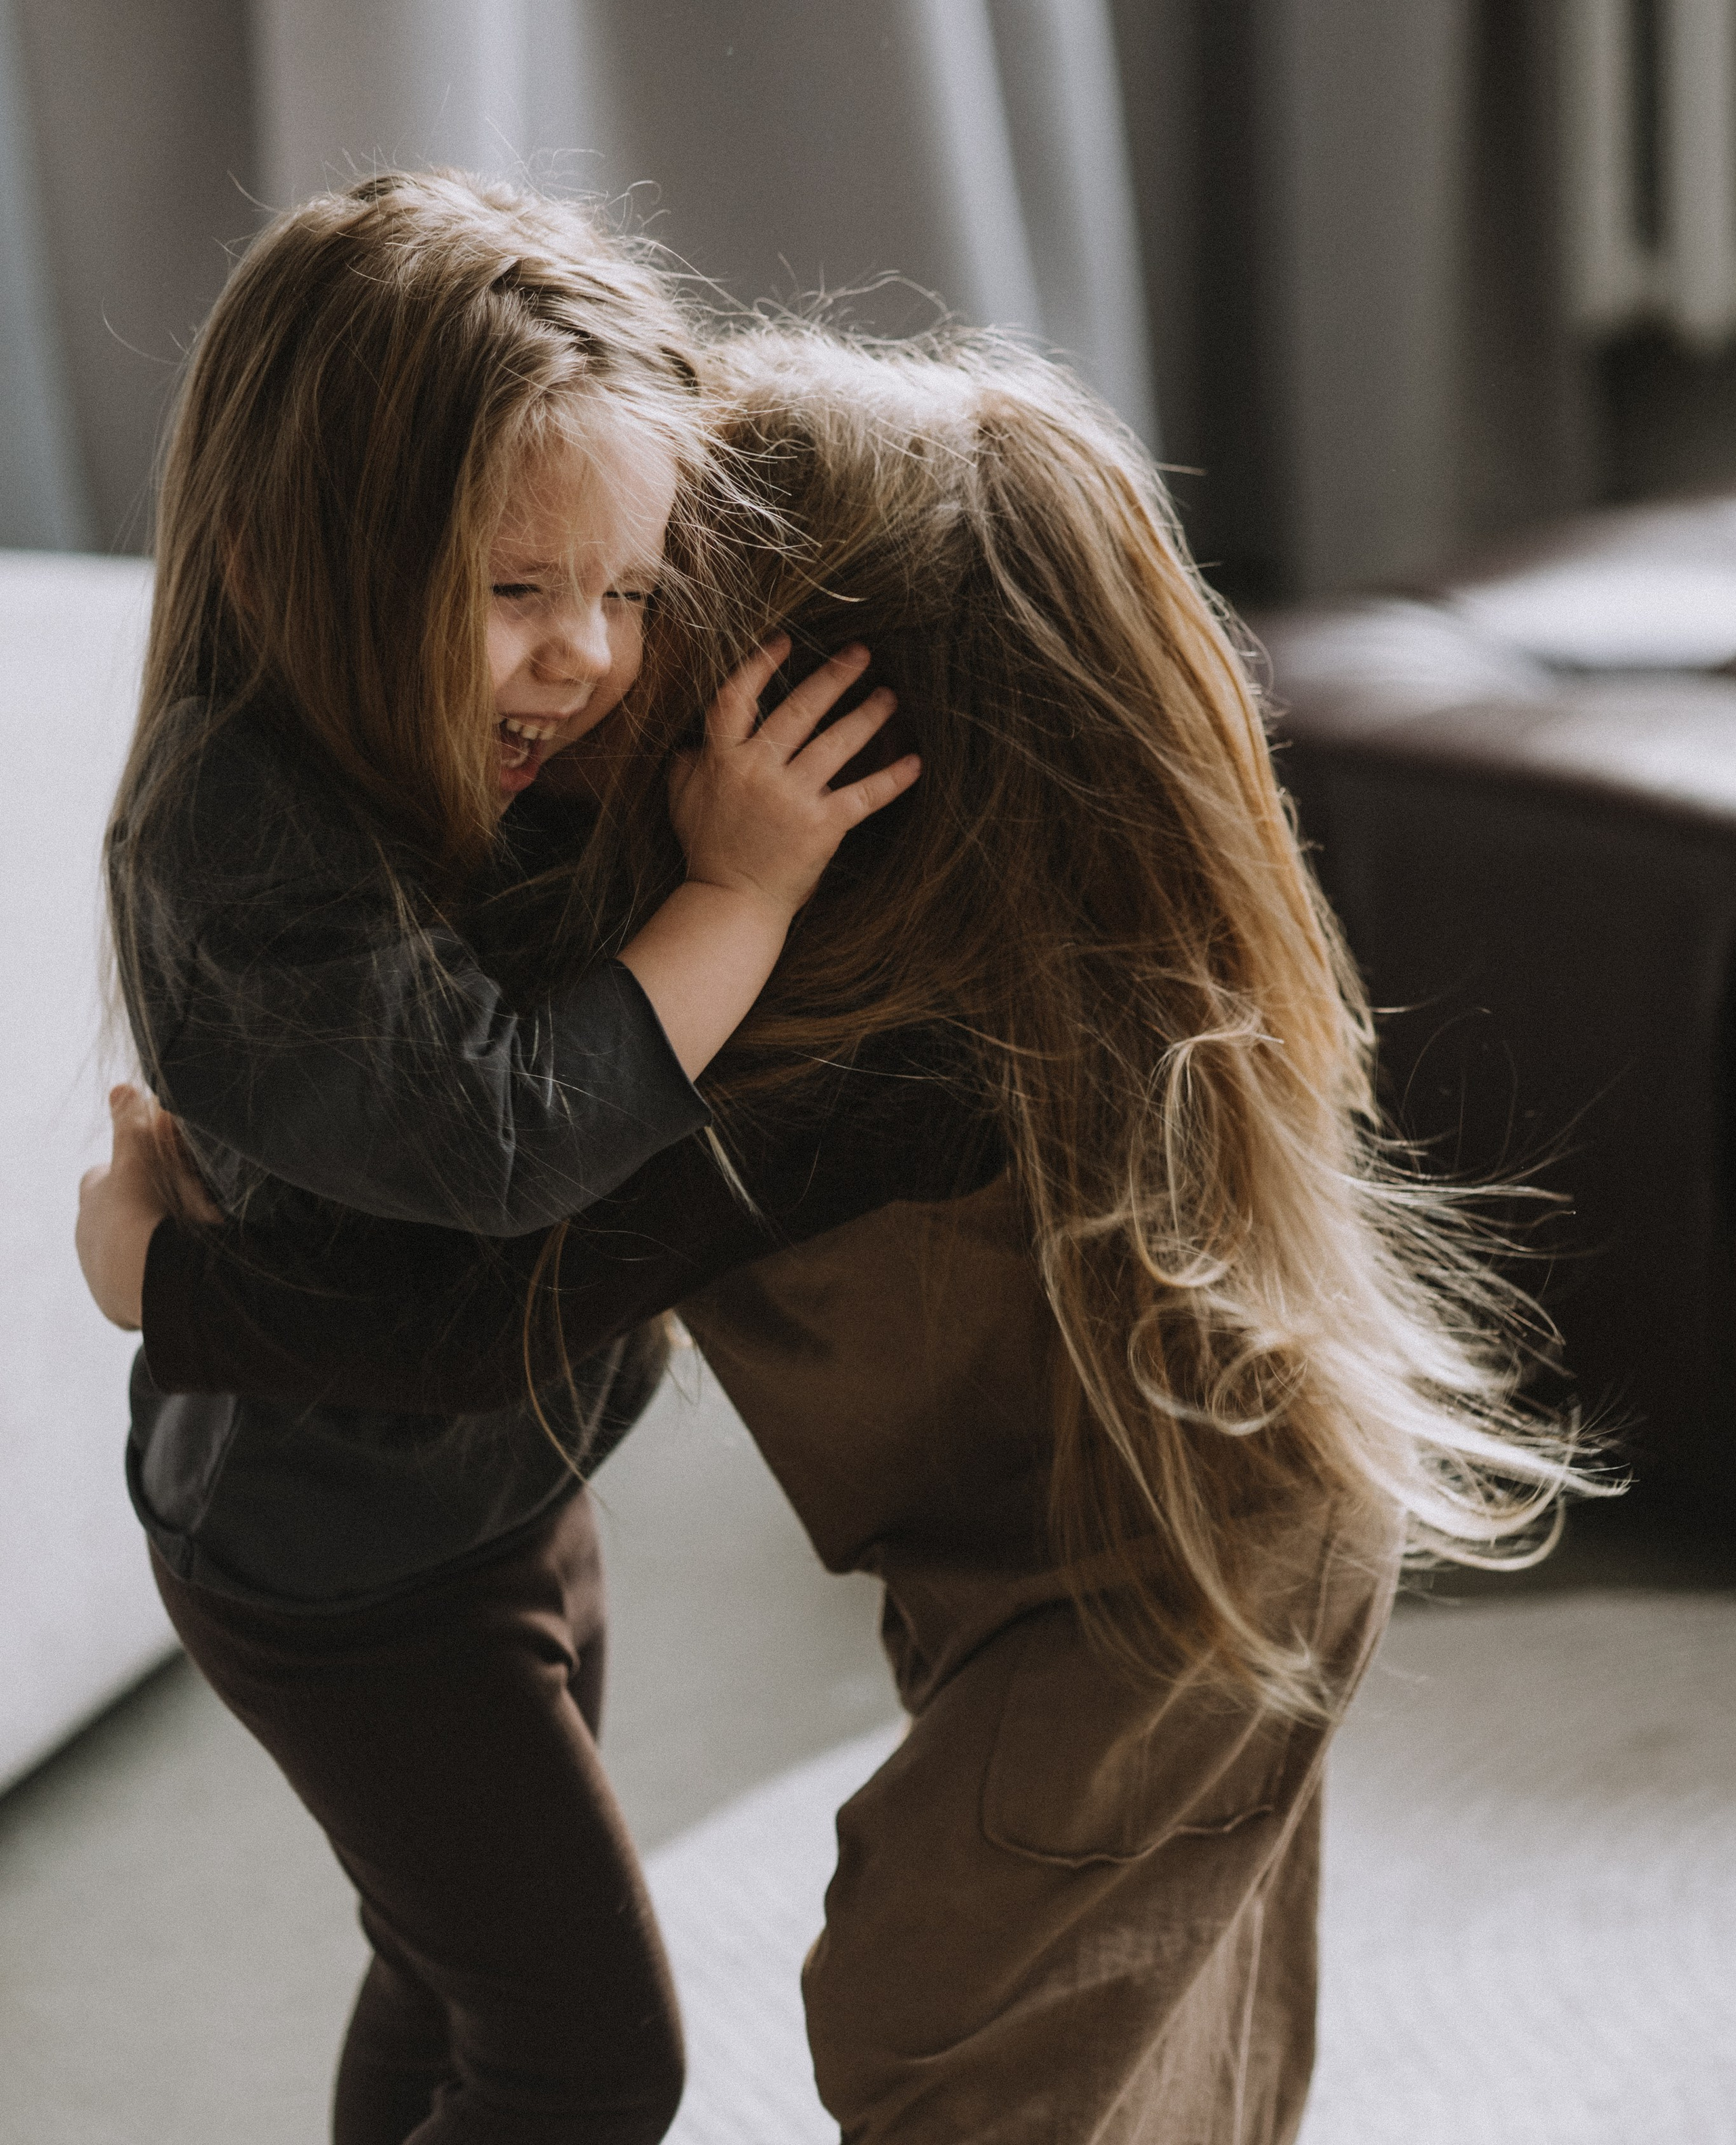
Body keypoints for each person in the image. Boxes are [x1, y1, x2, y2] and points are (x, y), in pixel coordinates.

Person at [82, 323, 1590, 2143]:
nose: (584, 662)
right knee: (1146, 1981)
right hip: (1067, 1544)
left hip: (1160, 1576)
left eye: (648, 613)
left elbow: (475, 1314)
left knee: (943, 2021)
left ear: (837, 760)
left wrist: (174, 1283)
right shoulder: (796, 957)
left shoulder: (843, 1058)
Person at [95, 179, 920, 2145]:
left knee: (452, 1972)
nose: (585, 658)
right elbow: (503, 1136)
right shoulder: (241, 833)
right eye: (512, 591)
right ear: (287, 553)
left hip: (496, 1500)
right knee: (588, 2061)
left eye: (627, 594)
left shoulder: (501, 753)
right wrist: (739, 888)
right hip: (337, 1565)